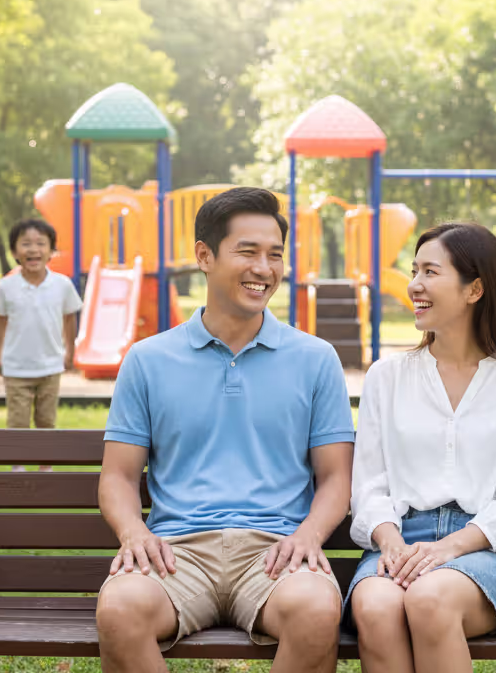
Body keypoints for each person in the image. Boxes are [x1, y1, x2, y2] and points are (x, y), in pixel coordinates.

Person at [94, 187, 355, 673]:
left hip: (277, 551)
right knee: (119, 609)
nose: (265, 269)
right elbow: (119, 476)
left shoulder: (316, 360)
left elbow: (336, 476)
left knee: (318, 612)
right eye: (248, 252)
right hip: (175, 553)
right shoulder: (148, 360)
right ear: (205, 256)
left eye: (275, 255)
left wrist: (309, 535)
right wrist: (133, 533)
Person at [347, 222, 496, 673]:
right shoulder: (387, 376)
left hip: (489, 552)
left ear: (474, 289)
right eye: (414, 270)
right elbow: (369, 484)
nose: (414, 285)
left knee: (429, 599)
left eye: (430, 272)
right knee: (377, 609)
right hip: (398, 539)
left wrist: (450, 549)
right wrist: (392, 542)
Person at [0, 218, 82, 472]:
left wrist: (70, 353)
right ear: (14, 251)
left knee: (46, 420)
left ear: (51, 251)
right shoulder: (7, 287)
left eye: (41, 243)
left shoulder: (61, 285)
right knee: (17, 421)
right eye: (25, 243)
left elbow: (69, 320)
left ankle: (45, 465)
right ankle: (17, 465)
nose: (33, 249)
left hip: (51, 365)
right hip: (16, 367)